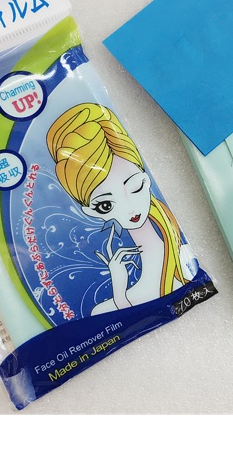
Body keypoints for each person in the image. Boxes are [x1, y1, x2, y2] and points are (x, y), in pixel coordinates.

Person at [46, 103, 192, 314]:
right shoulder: (109, 306)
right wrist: (120, 291)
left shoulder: (185, 258)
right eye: (105, 205)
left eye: (136, 187)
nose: (130, 208)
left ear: (146, 180)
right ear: (90, 211)